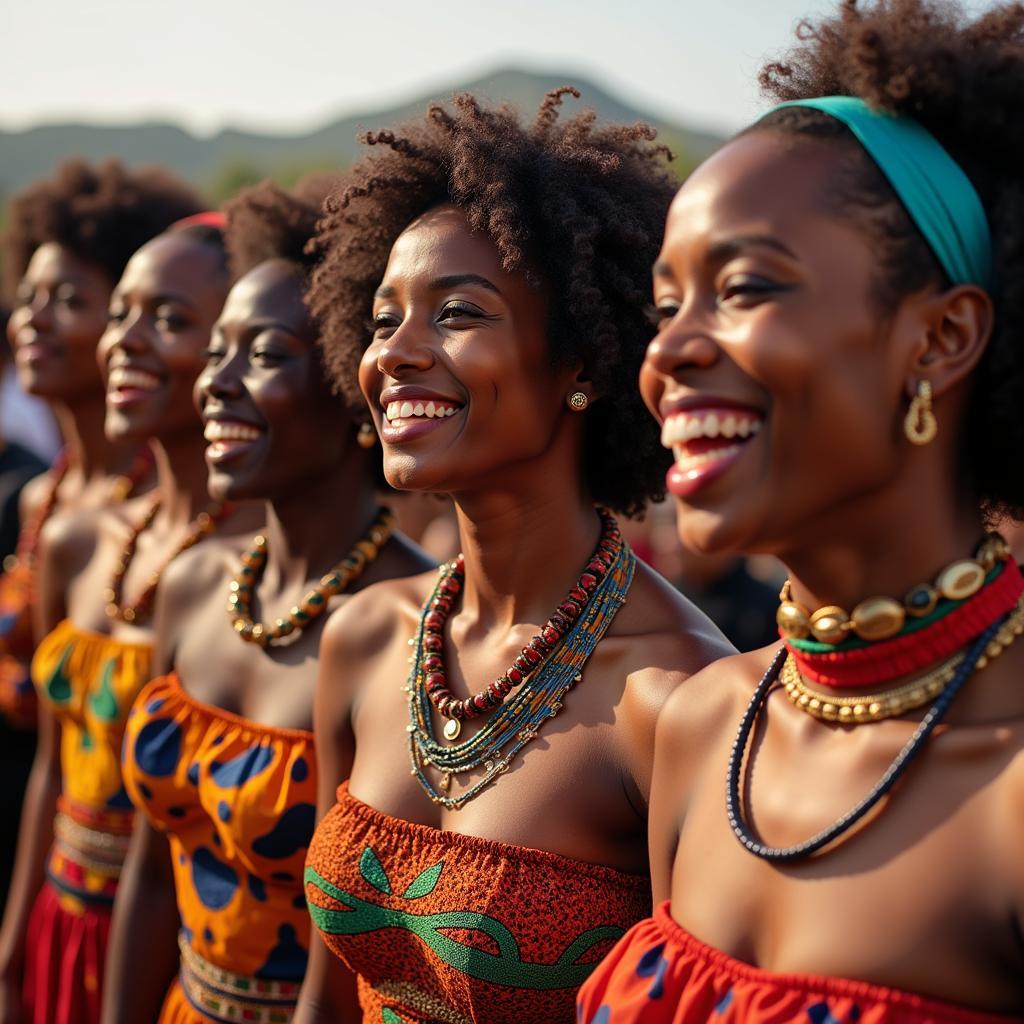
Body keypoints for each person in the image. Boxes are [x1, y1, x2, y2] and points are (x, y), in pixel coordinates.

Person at [576, 1, 1024, 1019]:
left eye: (743, 287)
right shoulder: (699, 726)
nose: (669, 353)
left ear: (940, 338)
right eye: (665, 305)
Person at [294, 89, 732, 1024]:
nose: (398, 355)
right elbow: (326, 995)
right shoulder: (366, 637)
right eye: (381, 321)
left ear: (583, 363)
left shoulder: (676, 696)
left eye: (456, 312)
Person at [101, 177, 434, 1024]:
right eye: (216, 352)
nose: (216, 384)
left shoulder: (408, 630)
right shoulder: (194, 583)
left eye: (264, 354)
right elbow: (149, 868)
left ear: (357, 392)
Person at [0, 213, 257, 1024]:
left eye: (174, 321)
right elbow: (52, 764)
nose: (128, 342)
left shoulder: (246, 572)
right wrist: (12, 951)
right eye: (121, 316)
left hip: (169, 955)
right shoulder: (81, 539)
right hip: (58, 918)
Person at [0, 160, 197, 732]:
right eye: (27, 296)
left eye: (66, 299)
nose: (32, 319)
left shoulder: (167, 513)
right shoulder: (40, 495)